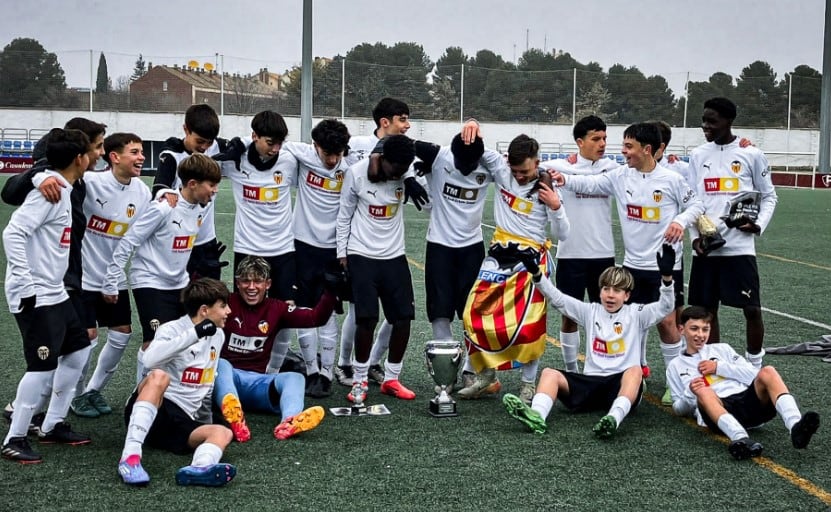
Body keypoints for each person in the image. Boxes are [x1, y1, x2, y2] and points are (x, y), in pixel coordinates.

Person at [550, 122, 704, 405]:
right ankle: (638, 373)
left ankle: (675, 381)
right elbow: (590, 183)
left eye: (629, 147)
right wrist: (564, 179)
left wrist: (679, 221)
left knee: (667, 322)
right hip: (632, 264)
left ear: (647, 150)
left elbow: (696, 205)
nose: (623, 152)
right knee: (634, 323)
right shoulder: (620, 176)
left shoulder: (671, 179)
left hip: (664, 265)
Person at [502, 246, 676, 438]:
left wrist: (667, 279)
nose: (610, 295)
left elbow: (666, 306)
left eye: (617, 290)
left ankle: (613, 419)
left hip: (619, 385)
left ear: (626, 296)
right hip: (590, 384)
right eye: (606, 289)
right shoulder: (589, 311)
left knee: (635, 371)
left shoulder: (637, 314)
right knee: (549, 373)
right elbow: (557, 298)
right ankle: (537, 416)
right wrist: (535, 272)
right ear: (600, 291)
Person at [1, 118, 106, 424]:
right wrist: (24, 281)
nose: (99, 153)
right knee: (45, 358)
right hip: (44, 285)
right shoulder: (49, 185)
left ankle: (51, 422)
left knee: (77, 345)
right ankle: (20, 422)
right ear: (79, 153)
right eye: (96, 146)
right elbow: (12, 218)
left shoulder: (73, 183)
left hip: (65, 279)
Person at [459, 134, 569, 404]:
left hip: (531, 261)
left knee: (528, 325)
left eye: (526, 171)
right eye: (515, 171)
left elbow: (562, 233)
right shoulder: (500, 168)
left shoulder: (548, 187)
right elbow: (476, 146)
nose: (519, 176)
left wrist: (556, 207)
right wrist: (472, 124)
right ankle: (487, 376)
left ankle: (528, 385)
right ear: (507, 162)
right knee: (472, 315)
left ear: (538, 163)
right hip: (498, 255)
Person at [335, 97, 428, 388]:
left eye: (404, 170)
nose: (398, 174)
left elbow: (428, 205)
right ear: (382, 159)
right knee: (365, 318)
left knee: (403, 318)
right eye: (395, 169)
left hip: (394, 255)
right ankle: (359, 379)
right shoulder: (357, 173)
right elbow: (343, 217)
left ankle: (392, 378)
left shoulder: (404, 170)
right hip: (361, 254)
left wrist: (413, 177)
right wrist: (342, 254)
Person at [102, 153, 221, 381]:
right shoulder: (163, 208)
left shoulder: (202, 206)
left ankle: (168, 395)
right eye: (212, 185)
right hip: (150, 281)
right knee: (153, 344)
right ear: (193, 184)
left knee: (181, 340)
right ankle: (139, 400)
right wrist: (111, 280)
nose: (215, 190)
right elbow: (129, 241)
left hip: (179, 284)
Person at [117, 278, 236, 487]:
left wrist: (206, 421)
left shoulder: (218, 335)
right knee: (158, 376)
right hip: (157, 405)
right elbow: (150, 360)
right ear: (204, 310)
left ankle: (199, 468)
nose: (229, 311)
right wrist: (195, 334)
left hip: (181, 421)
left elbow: (206, 384)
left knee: (222, 432)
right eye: (223, 305)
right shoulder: (171, 329)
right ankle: (130, 457)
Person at [687, 97, 778, 369]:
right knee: (706, 313)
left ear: (728, 121)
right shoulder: (698, 155)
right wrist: (695, 238)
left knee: (751, 309)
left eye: (712, 121)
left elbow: (769, 196)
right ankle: (713, 364)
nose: (706, 126)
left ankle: (754, 366)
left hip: (739, 248)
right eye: (704, 120)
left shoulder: (751, 154)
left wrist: (758, 224)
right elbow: (691, 202)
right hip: (707, 248)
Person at [212, 110, 299, 385]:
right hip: (248, 247)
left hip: (284, 249)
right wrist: (230, 144)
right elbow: (199, 156)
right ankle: (235, 369)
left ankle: (270, 375)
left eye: (279, 143)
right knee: (242, 312)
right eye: (270, 142)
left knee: (285, 312)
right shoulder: (235, 160)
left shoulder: (290, 159)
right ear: (254, 137)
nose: (275, 149)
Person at [69, 133, 153, 418]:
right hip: (83, 278)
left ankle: (93, 390)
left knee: (121, 334)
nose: (141, 157)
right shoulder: (90, 184)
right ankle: (76, 394)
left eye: (142, 151)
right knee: (87, 336)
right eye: (135, 152)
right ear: (114, 157)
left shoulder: (142, 192)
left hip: (114, 277)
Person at [666, 306, 820, 460]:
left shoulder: (722, 349)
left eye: (705, 329)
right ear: (681, 330)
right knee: (704, 391)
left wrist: (719, 367)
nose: (700, 335)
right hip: (718, 412)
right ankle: (740, 439)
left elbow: (754, 375)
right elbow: (678, 409)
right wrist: (690, 393)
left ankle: (795, 427)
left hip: (747, 404)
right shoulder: (675, 366)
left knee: (769, 371)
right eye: (694, 329)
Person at [214, 256, 339, 443]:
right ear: (237, 283)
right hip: (225, 379)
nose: (251, 287)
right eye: (246, 281)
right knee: (220, 364)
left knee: (295, 377)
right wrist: (199, 274)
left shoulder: (277, 308)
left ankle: (289, 421)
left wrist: (330, 292)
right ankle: (232, 416)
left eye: (258, 281)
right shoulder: (225, 304)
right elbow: (196, 305)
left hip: (258, 384)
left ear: (268, 284)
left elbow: (315, 318)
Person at [540, 115, 618, 374]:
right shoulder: (557, 165)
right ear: (579, 142)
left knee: (605, 315)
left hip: (603, 253)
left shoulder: (612, 168)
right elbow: (526, 164)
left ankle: (602, 366)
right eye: (596, 139)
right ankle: (571, 369)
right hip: (571, 253)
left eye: (605, 138)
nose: (603, 143)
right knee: (570, 314)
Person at [280, 119, 352, 396]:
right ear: (315, 147)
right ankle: (311, 370)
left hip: (334, 251)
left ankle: (326, 372)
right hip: (302, 247)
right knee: (305, 310)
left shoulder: (350, 164)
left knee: (329, 313)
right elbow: (273, 144)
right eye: (327, 154)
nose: (333, 160)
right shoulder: (301, 153)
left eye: (338, 154)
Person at [153, 104, 229, 281]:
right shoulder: (172, 156)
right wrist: (164, 194)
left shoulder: (218, 148)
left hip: (206, 243)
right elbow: (158, 190)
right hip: (178, 243)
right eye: (200, 141)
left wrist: (240, 145)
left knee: (210, 302)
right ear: (186, 129)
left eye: (209, 142)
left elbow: (244, 144)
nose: (205, 147)